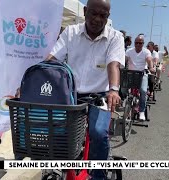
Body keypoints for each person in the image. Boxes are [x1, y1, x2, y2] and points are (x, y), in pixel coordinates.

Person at [45, 0, 125, 179]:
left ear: (108, 17)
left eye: (103, 16)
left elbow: (114, 64)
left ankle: (98, 174)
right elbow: (53, 58)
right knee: (57, 130)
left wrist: (113, 89)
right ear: (85, 11)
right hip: (70, 95)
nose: (97, 19)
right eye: (93, 13)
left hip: (101, 95)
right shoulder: (70, 32)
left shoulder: (115, 37)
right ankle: (60, 168)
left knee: (97, 132)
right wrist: (34, 80)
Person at [125, 35, 155, 120]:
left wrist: (151, 67)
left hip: (142, 74)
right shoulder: (129, 51)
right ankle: (127, 108)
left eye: (140, 43)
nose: (138, 44)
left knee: (143, 91)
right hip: (131, 74)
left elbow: (149, 60)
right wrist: (121, 65)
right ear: (134, 43)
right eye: (136, 43)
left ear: (143, 44)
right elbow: (125, 59)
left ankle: (141, 111)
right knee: (124, 90)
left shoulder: (146, 52)